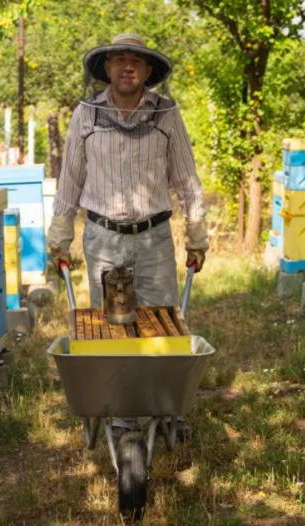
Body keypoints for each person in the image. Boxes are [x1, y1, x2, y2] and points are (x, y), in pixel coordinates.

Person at [47, 33, 209, 440]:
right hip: (102, 235)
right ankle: (122, 411)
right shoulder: (86, 114)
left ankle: (165, 404)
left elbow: (186, 179)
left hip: (153, 236)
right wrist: (60, 235)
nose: (127, 67)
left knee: (162, 323)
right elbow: (70, 178)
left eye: (135, 61)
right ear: (106, 68)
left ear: (149, 70)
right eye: (119, 60)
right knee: (111, 326)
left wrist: (196, 235)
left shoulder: (166, 114)